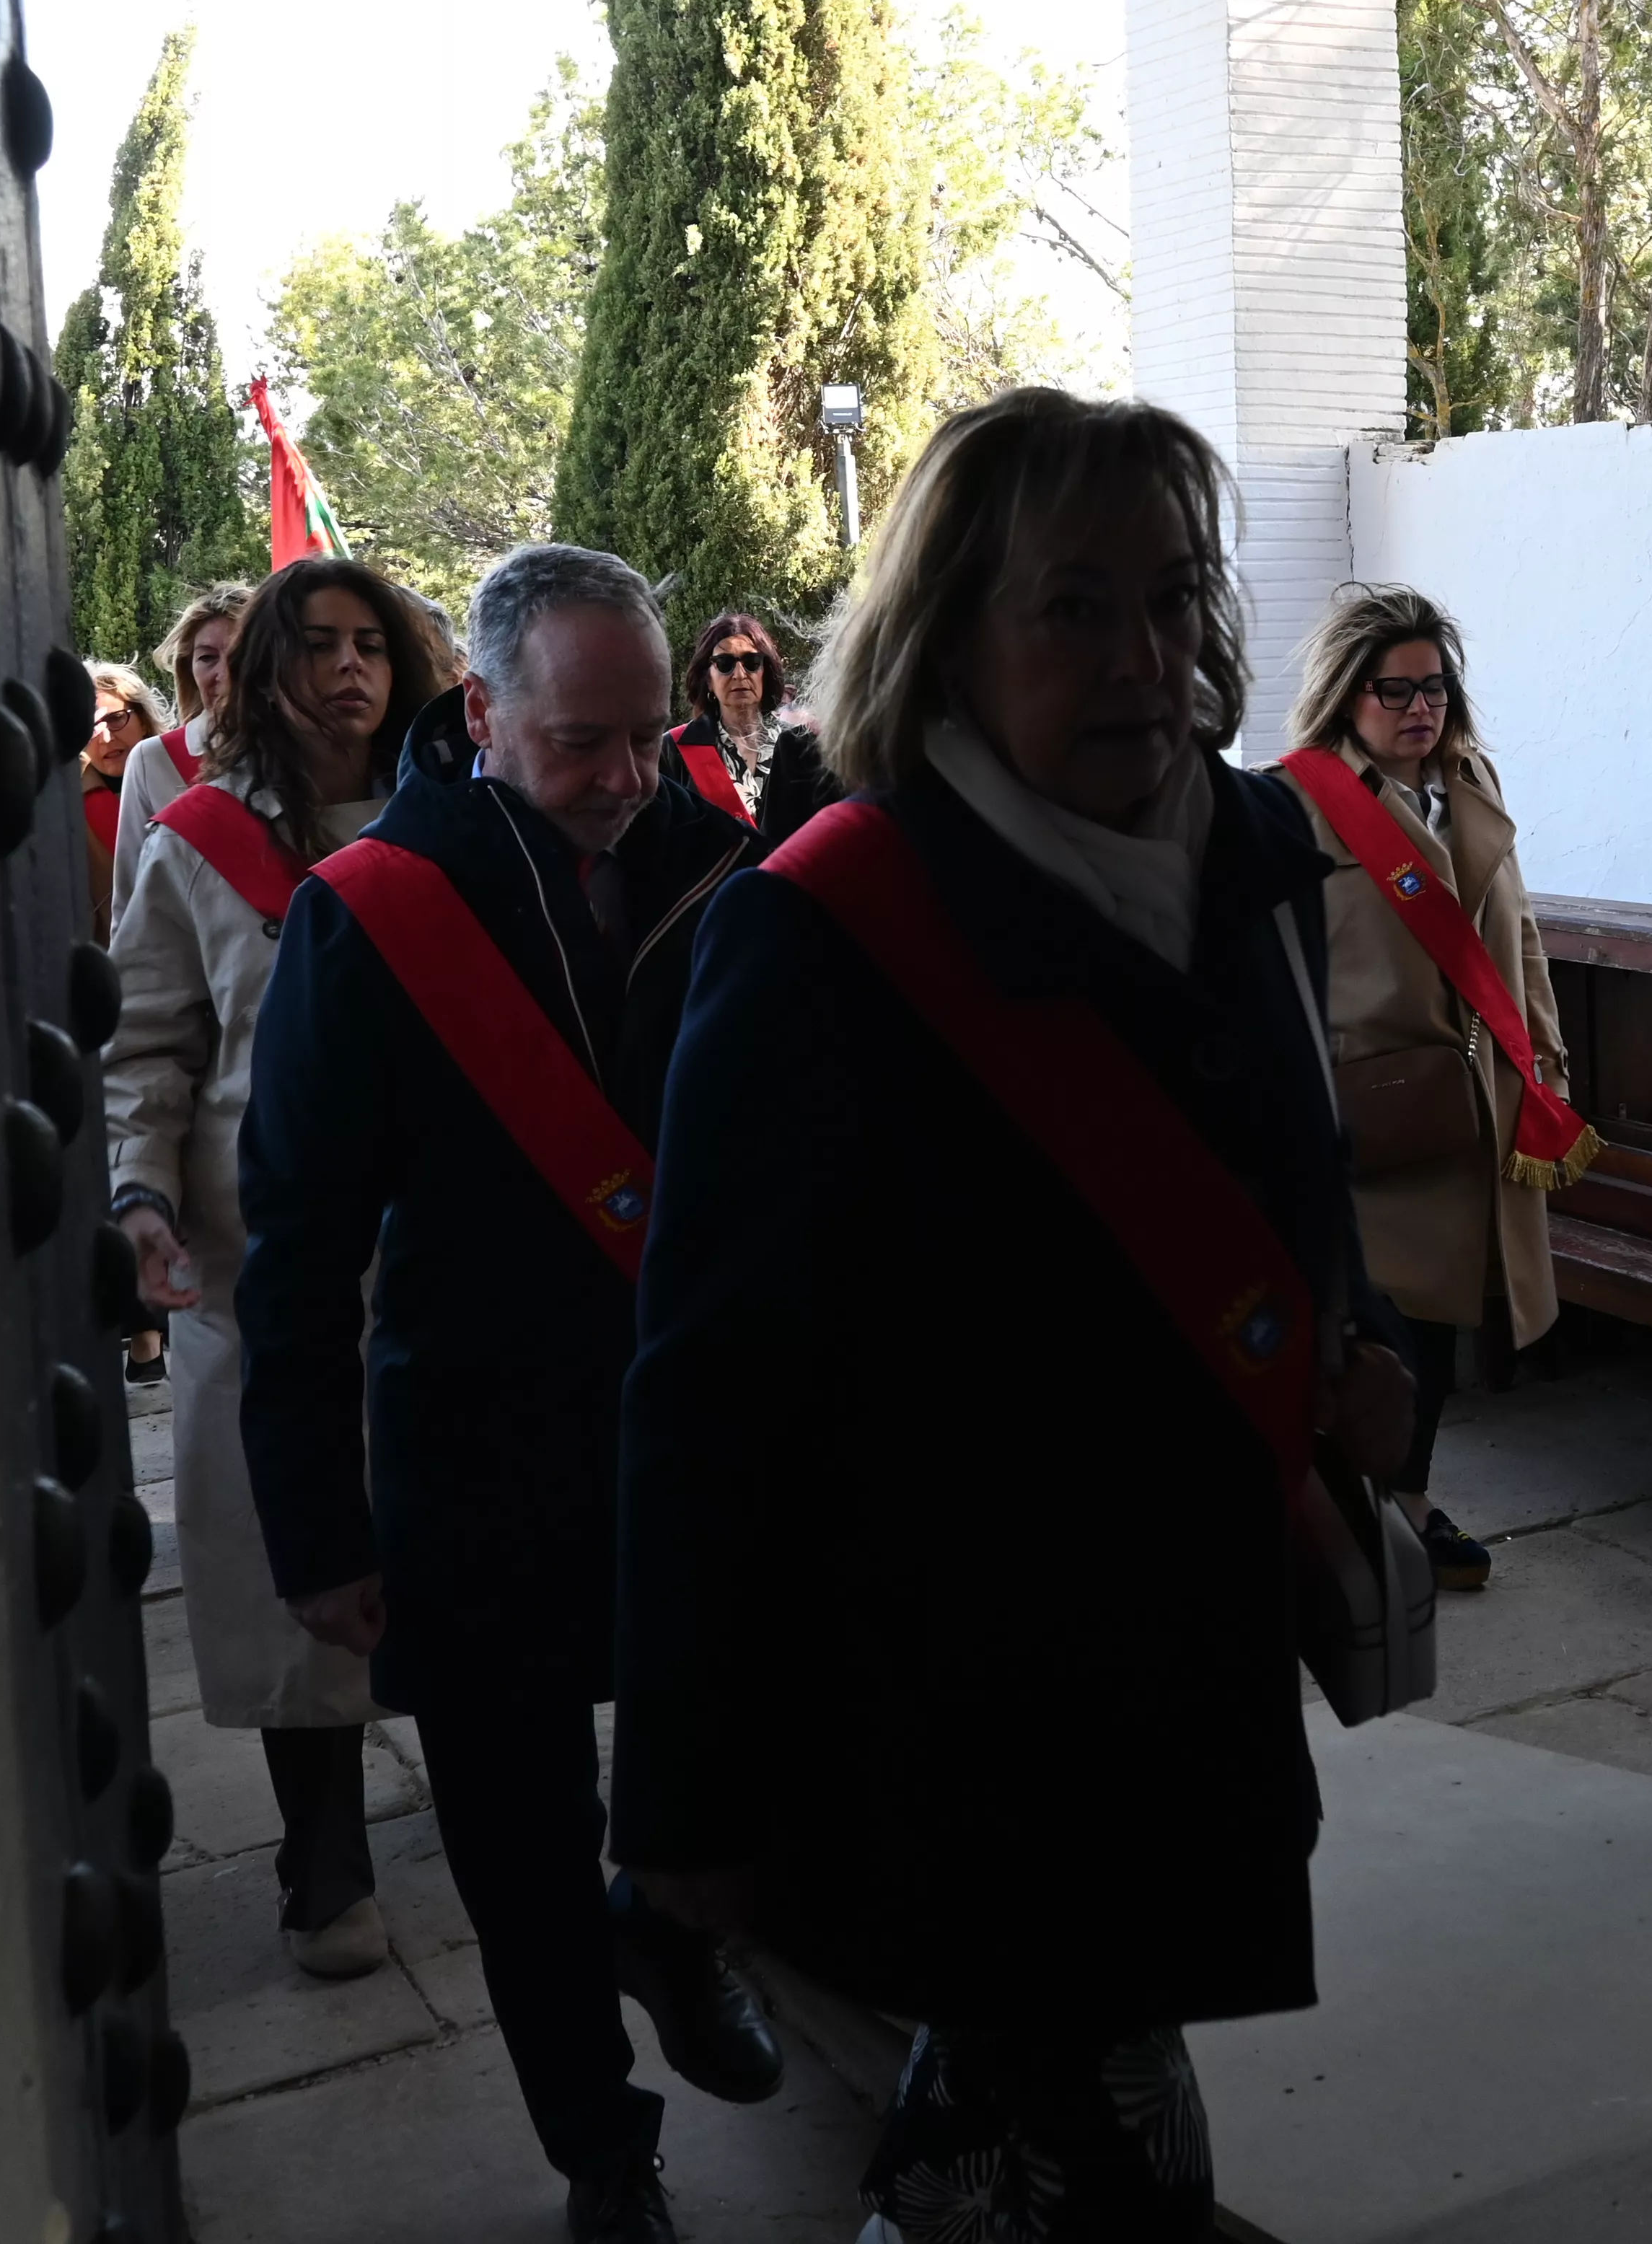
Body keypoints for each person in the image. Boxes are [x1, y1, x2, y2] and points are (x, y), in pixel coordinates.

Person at [612, 387, 1415, 2244]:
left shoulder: (1252, 848)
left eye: (1175, 597)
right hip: (953, 1689)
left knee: (1047, 2089)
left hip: (1193, 1638)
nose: (1144, 656)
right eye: (1073, 606)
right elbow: (709, 1400)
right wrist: (684, 1805)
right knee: (1074, 2110)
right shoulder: (824, 929)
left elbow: (1289, 1176)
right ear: (948, 633)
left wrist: (1357, 1354)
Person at [238, 542, 781, 2244]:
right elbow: (297, 1247)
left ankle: (670, 1924)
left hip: (702, 1436)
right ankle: (601, 2149)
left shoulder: (734, 871)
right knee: (516, 1831)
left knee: (748, 1745)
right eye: (580, 742)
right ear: (480, 713)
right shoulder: (375, 911)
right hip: (477, 1449)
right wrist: (317, 1527)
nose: (627, 778)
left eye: (650, 735)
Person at [105, 563, 435, 1977]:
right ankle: (325, 1847)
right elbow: (147, 1044)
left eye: (371, 644)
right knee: (285, 1550)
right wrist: (138, 1194)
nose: (349, 669)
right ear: (262, 670)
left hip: (438, 1253)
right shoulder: (194, 839)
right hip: (261, 1266)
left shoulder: (455, 816)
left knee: (457, 1534)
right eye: (317, 645)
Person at [1275, 584, 1589, 1591]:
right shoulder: (1297, 803)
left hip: (1474, 1107)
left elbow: (1519, 939)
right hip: (1372, 1108)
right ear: (1347, 694)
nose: (1422, 708)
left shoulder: (1471, 783)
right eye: (1396, 690)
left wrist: (1546, 1063)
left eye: (1436, 688)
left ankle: (1404, 1509)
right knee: (1383, 1331)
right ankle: (1356, 1519)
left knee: (1447, 1321)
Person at [113, 578, 254, 925]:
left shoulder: (310, 752)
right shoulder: (153, 760)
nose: (224, 674)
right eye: (207, 658)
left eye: (241, 655)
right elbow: (129, 902)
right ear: (189, 671)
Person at [664, 609, 841, 840]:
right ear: (708, 679)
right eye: (724, 663)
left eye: (752, 662)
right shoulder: (674, 750)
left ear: (765, 672)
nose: (739, 674)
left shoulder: (800, 745)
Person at [77, 663, 169, 948]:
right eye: (91, 727)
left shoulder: (181, 777)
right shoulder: (69, 807)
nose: (105, 737)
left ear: (143, 720)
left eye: (116, 719)